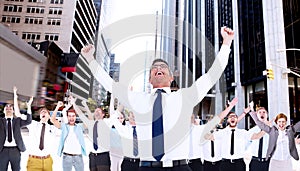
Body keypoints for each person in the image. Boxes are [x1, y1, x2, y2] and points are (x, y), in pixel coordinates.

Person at [81, 26, 234, 170]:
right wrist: (90, 59)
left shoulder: (184, 96)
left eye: (163, 67)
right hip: (147, 167)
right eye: (154, 68)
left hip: (179, 167)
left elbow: (212, 75)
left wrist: (226, 43)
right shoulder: (137, 99)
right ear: (149, 79)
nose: (158, 68)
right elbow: (109, 84)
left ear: (171, 77)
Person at [249, 102, 300, 171]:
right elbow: (255, 136)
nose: (262, 114)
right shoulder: (255, 130)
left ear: (267, 115)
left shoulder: (275, 130)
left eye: (264, 112)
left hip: (270, 161)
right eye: (259, 112)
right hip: (256, 161)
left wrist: (294, 141)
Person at [70, 96, 113, 171]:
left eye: (98, 111)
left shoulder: (107, 122)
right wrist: (74, 103)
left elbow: (114, 113)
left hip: (103, 156)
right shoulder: (90, 123)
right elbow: (80, 114)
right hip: (92, 157)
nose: (96, 112)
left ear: (103, 114)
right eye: (95, 111)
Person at [22, 97, 59, 171]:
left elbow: (63, 128)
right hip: (34, 161)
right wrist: (28, 106)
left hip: (47, 160)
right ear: (39, 116)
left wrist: (58, 107)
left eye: (45, 112)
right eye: (42, 112)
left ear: (49, 116)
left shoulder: (53, 129)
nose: (43, 113)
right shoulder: (32, 124)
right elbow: (18, 114)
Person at [0, 86, 32, 171]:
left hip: (16, 150)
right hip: (2, 150)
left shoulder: (17, 121)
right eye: (6, 108)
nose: (8, 109)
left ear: (13, 111)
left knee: (16, 169)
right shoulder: (0, 121)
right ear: (4, 111)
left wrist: (28, 107)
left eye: (11, 108)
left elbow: (28, 121)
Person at [50, 101, 86, 171]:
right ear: (67, 117)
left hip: (78, 156)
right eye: (69, 116)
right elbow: (52, 120)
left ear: (76, 117)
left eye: (73, 116)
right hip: (67, 157)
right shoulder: (64, 126)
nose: (71, 118)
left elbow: (90, 120)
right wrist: (57, 106)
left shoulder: (80, 127)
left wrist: (75, 105)